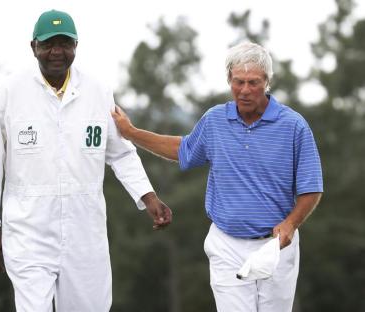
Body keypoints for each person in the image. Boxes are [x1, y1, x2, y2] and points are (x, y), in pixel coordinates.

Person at [0, 9, 172, 312]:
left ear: (76, 46)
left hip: (85, 232)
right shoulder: (8, 93)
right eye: (48, 44)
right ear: (33, 47)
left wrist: (149, 197)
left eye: (65, 44)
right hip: (29, 231)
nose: (56, 52)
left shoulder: (97, 91)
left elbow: (120, 152)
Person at [112, 41, 323, 312]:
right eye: (238, 82)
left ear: (267, 82)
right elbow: (182, 149)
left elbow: (311, 188)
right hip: (227, 245)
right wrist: (131, 133)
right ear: (228, 80)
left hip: (275, 248)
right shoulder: (214, 121)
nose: (245, 90)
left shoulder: (294, 126)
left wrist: (291, 223)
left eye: (253, 82)